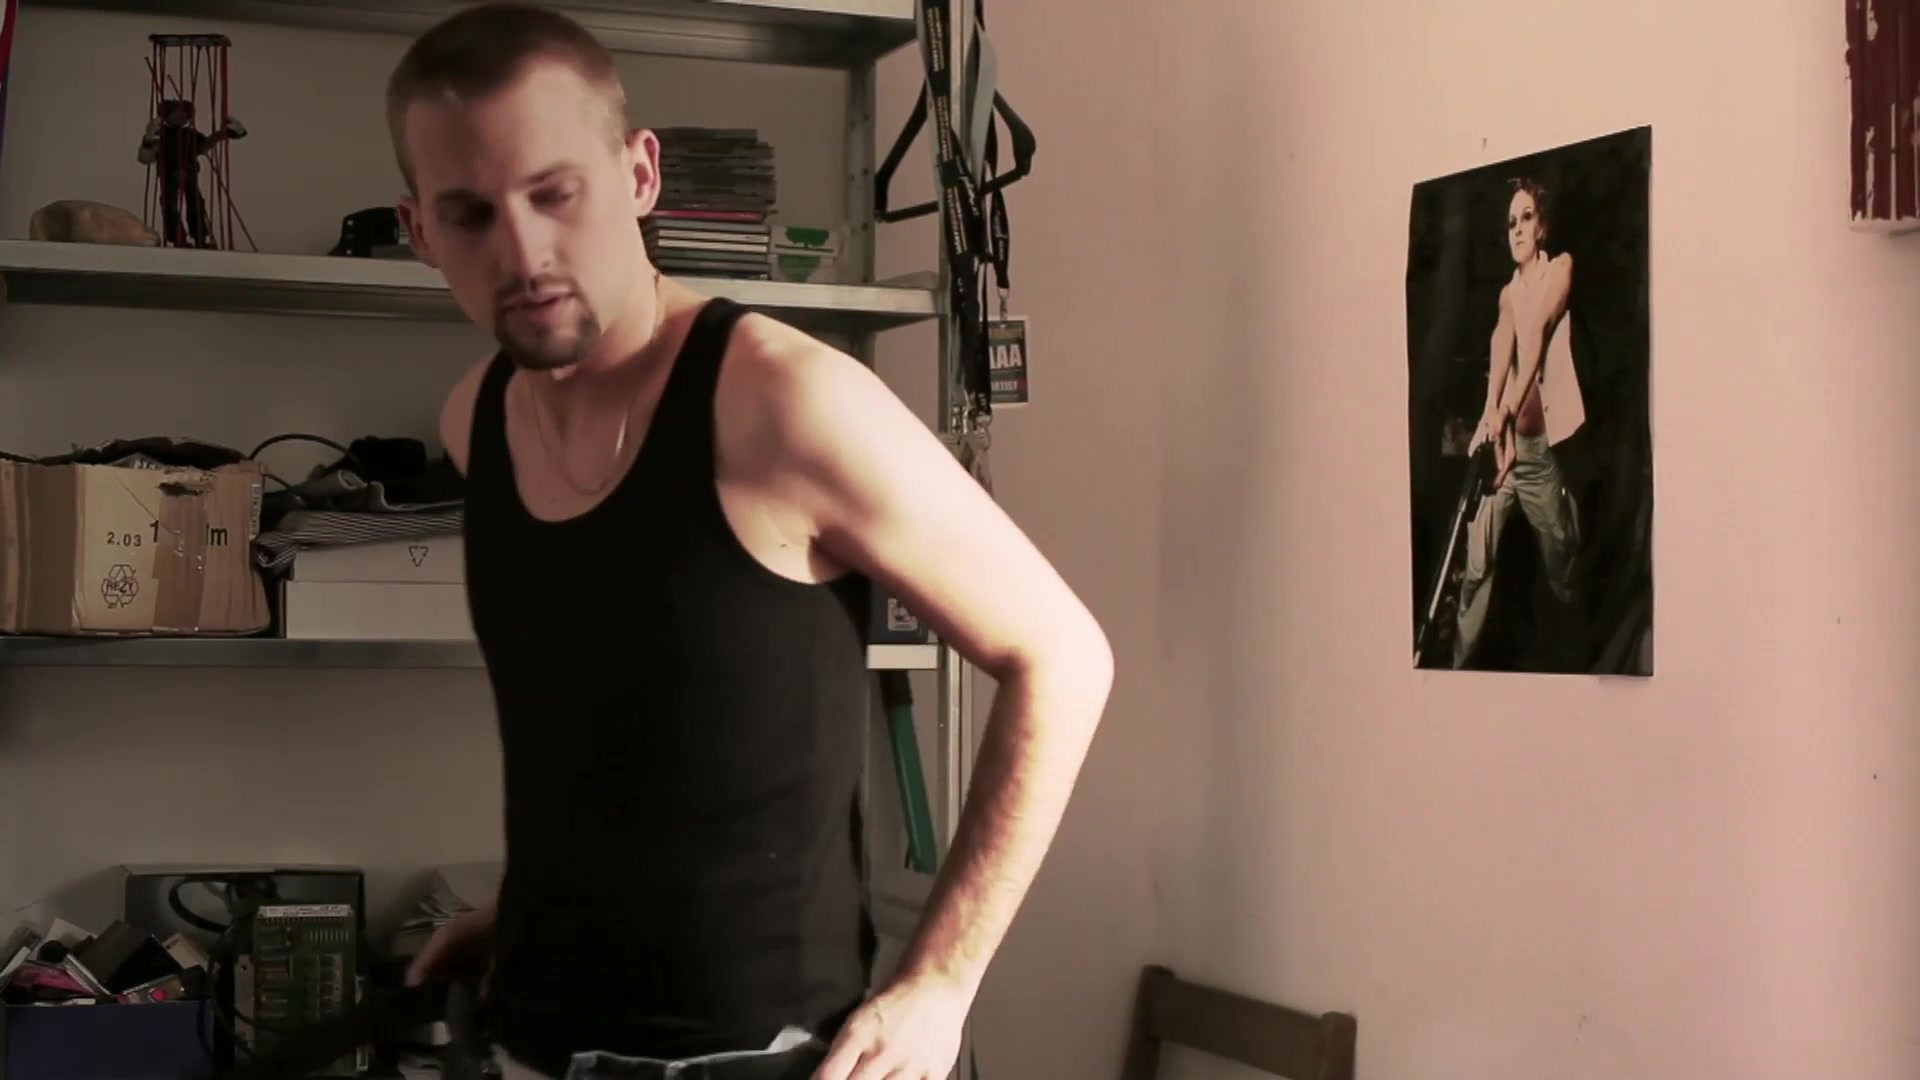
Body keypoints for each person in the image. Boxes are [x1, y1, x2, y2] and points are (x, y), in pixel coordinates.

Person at [384, 5, 1113, 1079]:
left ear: (639, 174)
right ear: (418, 232)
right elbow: (624, 742)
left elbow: (1064, 656)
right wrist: (532, 917)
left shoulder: (784, 401)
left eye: (555, 193)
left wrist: (942, 982)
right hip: (532, 1047)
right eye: (471, 214)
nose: (524, 252)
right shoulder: (475, 421)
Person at [1454, 177, 1585, 669]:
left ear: (1542, 227)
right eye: (1511, 221)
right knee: (1475, 565)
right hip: (1504, 455)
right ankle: (1456, 661)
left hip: (1541, 456)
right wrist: (1492, 413)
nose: (1517, 229)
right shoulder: (1508, 293)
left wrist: (1507, 409)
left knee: (1562, 563)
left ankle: (1580, 653)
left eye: (1526, 217)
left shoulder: (1560, 269)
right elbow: (1503, 337)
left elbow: (1538, 332)